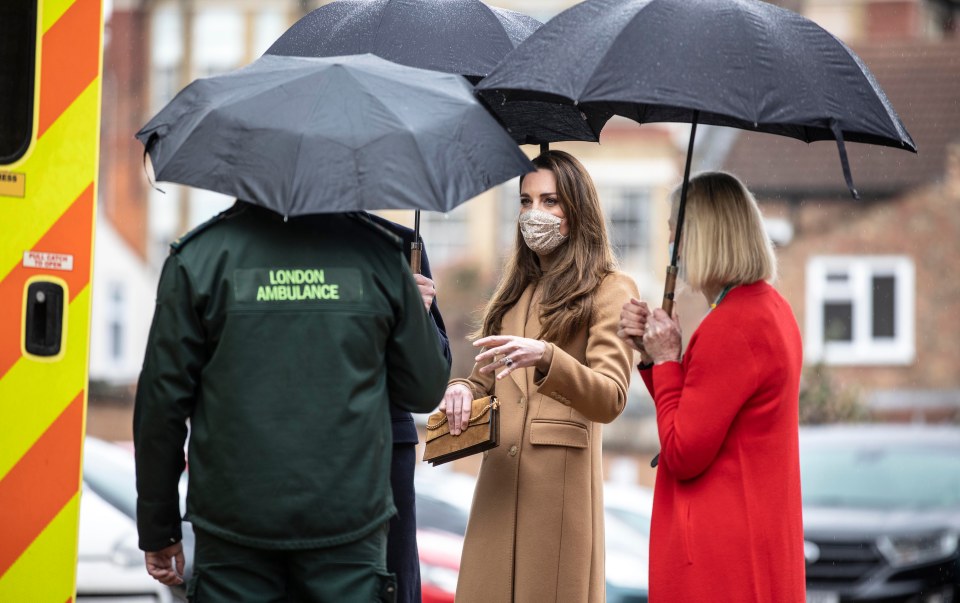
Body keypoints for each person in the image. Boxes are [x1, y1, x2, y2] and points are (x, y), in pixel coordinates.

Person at [133, 201, 450, 601]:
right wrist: (408, 316)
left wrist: (160, 528)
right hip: (347, 526)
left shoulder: (200, 257)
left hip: (233, 528)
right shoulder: (382, 255)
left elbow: (161, 407)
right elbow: (422, 390)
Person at [440, 150, 639, 603]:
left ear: (576, 209)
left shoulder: (611, 288)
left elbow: (610, 397)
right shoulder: (514, 294)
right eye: (525, 201)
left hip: (558, 502)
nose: (535, 213)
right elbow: (480, 383)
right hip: (496, 490)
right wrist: (458, 390)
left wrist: (548, 357)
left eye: (550, 201)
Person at [618, 171, 806, 602]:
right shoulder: (766, 308)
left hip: (720, 557)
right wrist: (653, 357)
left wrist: (666, 359)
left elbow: (684, 450)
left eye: (672, 230)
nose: (668, 242)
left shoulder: (732, 326)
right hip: (752, 539)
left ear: (700, 236)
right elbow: (706, 410)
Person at [364, 212, 452, 603]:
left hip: (387, 452)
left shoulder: (402, 245)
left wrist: (416, 317)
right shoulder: (281, 246)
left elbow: (432, 377)